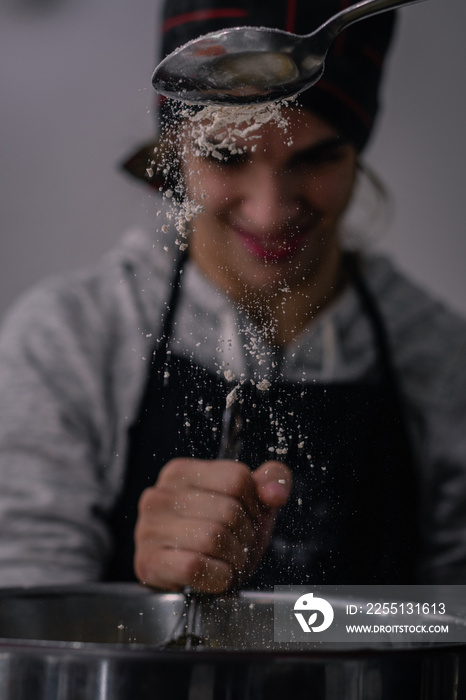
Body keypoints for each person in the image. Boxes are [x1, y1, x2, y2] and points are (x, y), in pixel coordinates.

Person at [0, 0, 466, 593]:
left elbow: (449, 626)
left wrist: (353, 629)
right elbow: (24, 625)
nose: (269, 212)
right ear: (175, 155)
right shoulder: (70, 341)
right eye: (225, 154)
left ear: (356, 156)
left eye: (317, 157)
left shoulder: (443, 362)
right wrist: (148, 605)